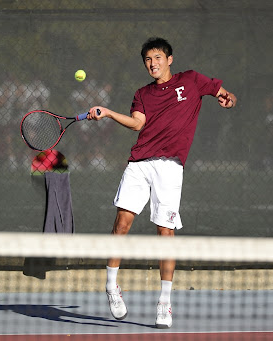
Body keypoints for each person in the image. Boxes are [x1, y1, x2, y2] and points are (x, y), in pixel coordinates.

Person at [86, 37, 236, 328]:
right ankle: (111, 285)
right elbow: (137, 123)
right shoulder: (142, 94)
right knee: (122, 223)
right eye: (147, 60)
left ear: (169, 59)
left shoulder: (191, 80)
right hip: (140, 164)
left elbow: (225, 94)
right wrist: (107, 112)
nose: (152, 64)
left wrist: (228, 99)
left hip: (170, 167)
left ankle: (165, 303)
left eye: (157, 58)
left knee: (165, 233)